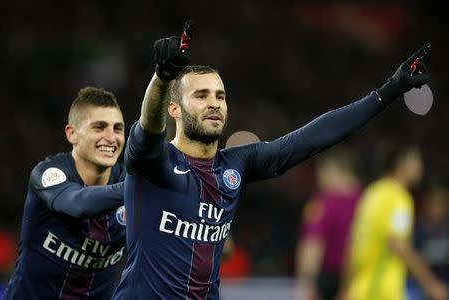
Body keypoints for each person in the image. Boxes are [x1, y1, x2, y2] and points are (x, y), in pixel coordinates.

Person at [112, 23, 432, 299]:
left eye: (220, 96)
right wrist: (162, 78)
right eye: (201, 95)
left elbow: (312, 138)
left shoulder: (234, 166)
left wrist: (387, 92)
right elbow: (148, 125)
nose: (214, 103)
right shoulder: (153, 163)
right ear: (175, 110)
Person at [4, 87, 127, 300]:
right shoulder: (49, 173)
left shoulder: (128, 181)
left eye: (118, 129)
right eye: (99, 127)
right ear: (72, 133)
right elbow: (78, 204)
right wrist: (138, 189)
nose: (111, 137)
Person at [342, 144, 449, 300]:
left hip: (360, 289)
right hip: (383, 290)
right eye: (416, 160)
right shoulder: (398, 197)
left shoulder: (372, 193)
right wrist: (431, 284)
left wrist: (346, 287)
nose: (421, 166)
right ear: (401, 165)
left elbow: (352, 245)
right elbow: (398, 245)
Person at [296, 145, 363, 300]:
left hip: (331, 283)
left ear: (332, 171)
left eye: (321, 173)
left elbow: (312, 246)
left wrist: (306, 284)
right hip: (365, 280)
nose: (319, 180)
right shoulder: (369, 201)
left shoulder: (321, 205)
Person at [408, 184, 449, 300]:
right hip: (423, 282)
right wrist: (430, 285)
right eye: (434, 205)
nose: (437, 209)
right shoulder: (420, 231)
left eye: (441, 205)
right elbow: (413, 260)